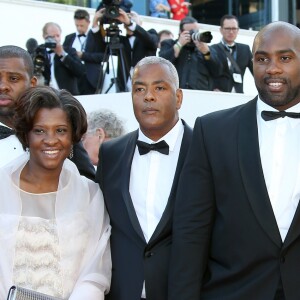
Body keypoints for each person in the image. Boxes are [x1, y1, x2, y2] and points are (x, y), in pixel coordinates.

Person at [168, 21, 300, 300]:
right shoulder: (213, 131)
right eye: (262, 59)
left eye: (285, 58)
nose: (272, 68)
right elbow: (191, 230)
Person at [0, 86, 111, 300]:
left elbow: (95, 272)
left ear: (73, 137)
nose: (51, 140)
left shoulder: (90, 195)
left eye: (60, 130)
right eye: (40, 130)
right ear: (26, 136)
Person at [96, 56, 192, 300]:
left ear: (178, 97)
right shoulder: (111, 153)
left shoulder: (206, 149)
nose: (148, 96)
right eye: (140, 89)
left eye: (159, 88)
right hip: (120, 292)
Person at [0, 45, 95, 180]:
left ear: (32, 83)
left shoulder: (59, 128)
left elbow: (88, 186)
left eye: (13, 78)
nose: (3, 86)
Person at [97, 8, 158, 92]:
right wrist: (97, 23)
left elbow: (152, 42)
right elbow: (101, 48)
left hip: (146, 84)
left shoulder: (150, 33)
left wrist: (130, 24)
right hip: (124, 85)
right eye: (127, 17)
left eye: (132, 17)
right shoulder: (120, 39)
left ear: (140, 22)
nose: (128, 18)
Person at [159, 16, 220, 90]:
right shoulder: (169, 44)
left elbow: (217, 71)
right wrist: (179, 45)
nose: (193, 34)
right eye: (191, 32)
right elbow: (161, 64)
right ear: (181, 32)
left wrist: (206, 53)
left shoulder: (206, 49)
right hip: (174, 94)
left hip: (199, 95)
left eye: (196, 31)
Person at [63, 9, 106, 95]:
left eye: (81, 25)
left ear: (88, 22)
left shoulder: (96, 36)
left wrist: (83, 55)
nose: (79, 28)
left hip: (90, 78)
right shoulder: (69, 38)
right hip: (72, 78)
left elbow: (103, 56)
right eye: (77, 25)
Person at [37, 22, 85, 95]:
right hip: (46, 96)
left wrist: (62, 54)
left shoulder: (69, 51)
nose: (56, 39)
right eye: (52, 36)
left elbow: (80, 71)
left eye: (58, 36)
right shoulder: (40, 51)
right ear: (45, 36)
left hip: (67, 96)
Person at [210, 15, 253, 93]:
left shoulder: (245, 49)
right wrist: (211, 89)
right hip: (218, 95)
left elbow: (256, 72)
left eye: (234, 28)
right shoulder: (213, 49)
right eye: (227, 28)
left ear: (238, 30)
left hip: (239, 96)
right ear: (221, 30)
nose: (231, 32)